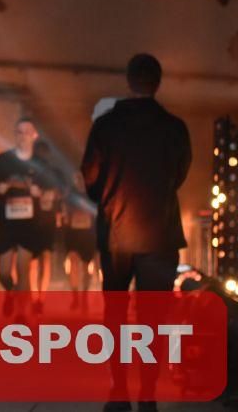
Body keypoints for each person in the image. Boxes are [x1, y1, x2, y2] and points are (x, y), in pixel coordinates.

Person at [82, 54, 190, 412]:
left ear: (128, 82)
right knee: (152, 318)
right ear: (157, 83)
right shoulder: (175, 128)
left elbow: (90, 176)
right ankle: (147, 393)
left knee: (115, 314)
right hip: (159, 233)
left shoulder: (106, 126)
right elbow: (179, 174)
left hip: (117, 232)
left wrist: (108, 198)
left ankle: (119, 391)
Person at [0, 118, 48, 292]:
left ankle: (22, 308)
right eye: (19, 132)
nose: (23, 136)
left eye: (27, 132)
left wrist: (39, 192)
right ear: (15, 134)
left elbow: (51, 191)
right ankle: (12, 294)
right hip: (6, 221)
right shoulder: (4, 158)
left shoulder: (41, 163)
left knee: (22, 269)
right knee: (3, 273)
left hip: (30, 222)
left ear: (34, 135)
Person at [31, 140, 63, 295]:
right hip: (33, 220)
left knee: (45, 258)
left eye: (43, 152)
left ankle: (40, 296)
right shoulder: (30, 172)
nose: (42, 155)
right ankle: (36, 295)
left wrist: (54, 194)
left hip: (47, 220)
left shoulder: (55, 173)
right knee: (36, 259)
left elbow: (63, 192)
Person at [63, 172, 97, 302]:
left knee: (86, 265)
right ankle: (75, 294)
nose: (80, 181)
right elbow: (64, 212)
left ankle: (84, 294)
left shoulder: (92, 194)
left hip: (88, 234)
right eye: (77, 178)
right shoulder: (70, 195)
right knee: (73, 262)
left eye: (82, 178)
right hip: (73, 233)